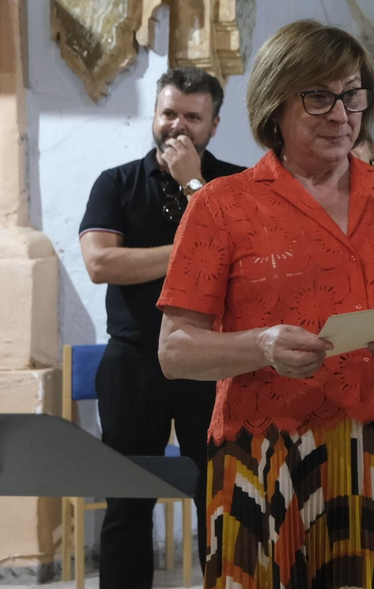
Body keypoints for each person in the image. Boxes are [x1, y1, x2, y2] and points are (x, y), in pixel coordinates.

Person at [156, 20, 374, 589]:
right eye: (318, 97)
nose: (341, 114)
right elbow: (175, 351)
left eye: (352, 95)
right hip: (268, 454)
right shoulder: (223, 206)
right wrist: (261, 346)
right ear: (275, 104)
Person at [78, 67, 245, 589]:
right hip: (134, 359)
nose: (178, 126)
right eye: (168, 112)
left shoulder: (238, 185)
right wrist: (187, 255)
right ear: (154, 115)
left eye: (192, 117)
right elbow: (101, 263)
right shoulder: (116, 182)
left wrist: (194, 186)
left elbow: (241, 262)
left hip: (212, 359)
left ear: (214, 124)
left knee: (220, 500)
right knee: (127, 502)